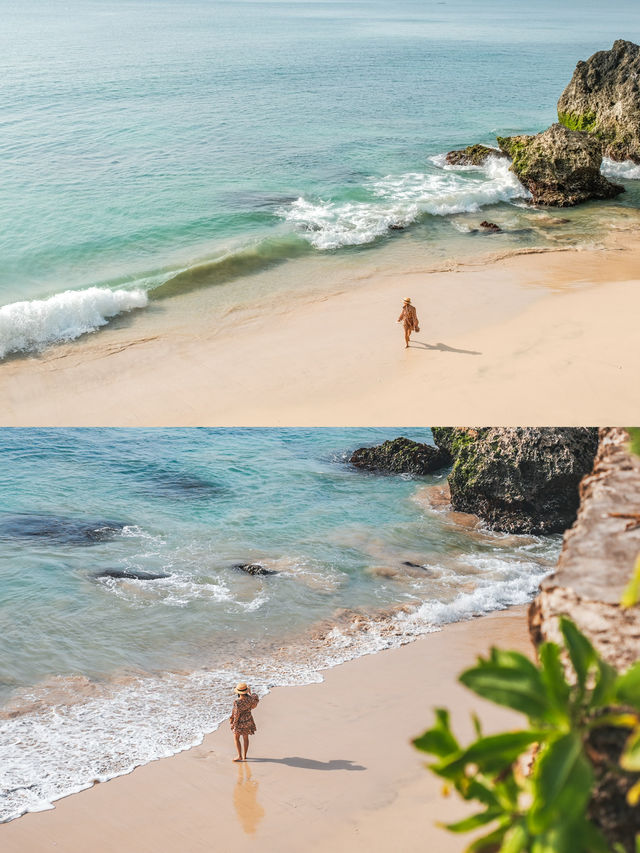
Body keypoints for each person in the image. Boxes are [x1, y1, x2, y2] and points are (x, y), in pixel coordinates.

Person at [230, 682, 259, 762]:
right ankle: (244, 756)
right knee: (246, 738)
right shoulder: (250, 699)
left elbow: (236, 714)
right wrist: (250, 692)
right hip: (248, 720)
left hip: (240, 722)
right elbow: (255, 698)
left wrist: (234, 724)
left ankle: (239, 756)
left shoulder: (237, 702)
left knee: (236, 738)